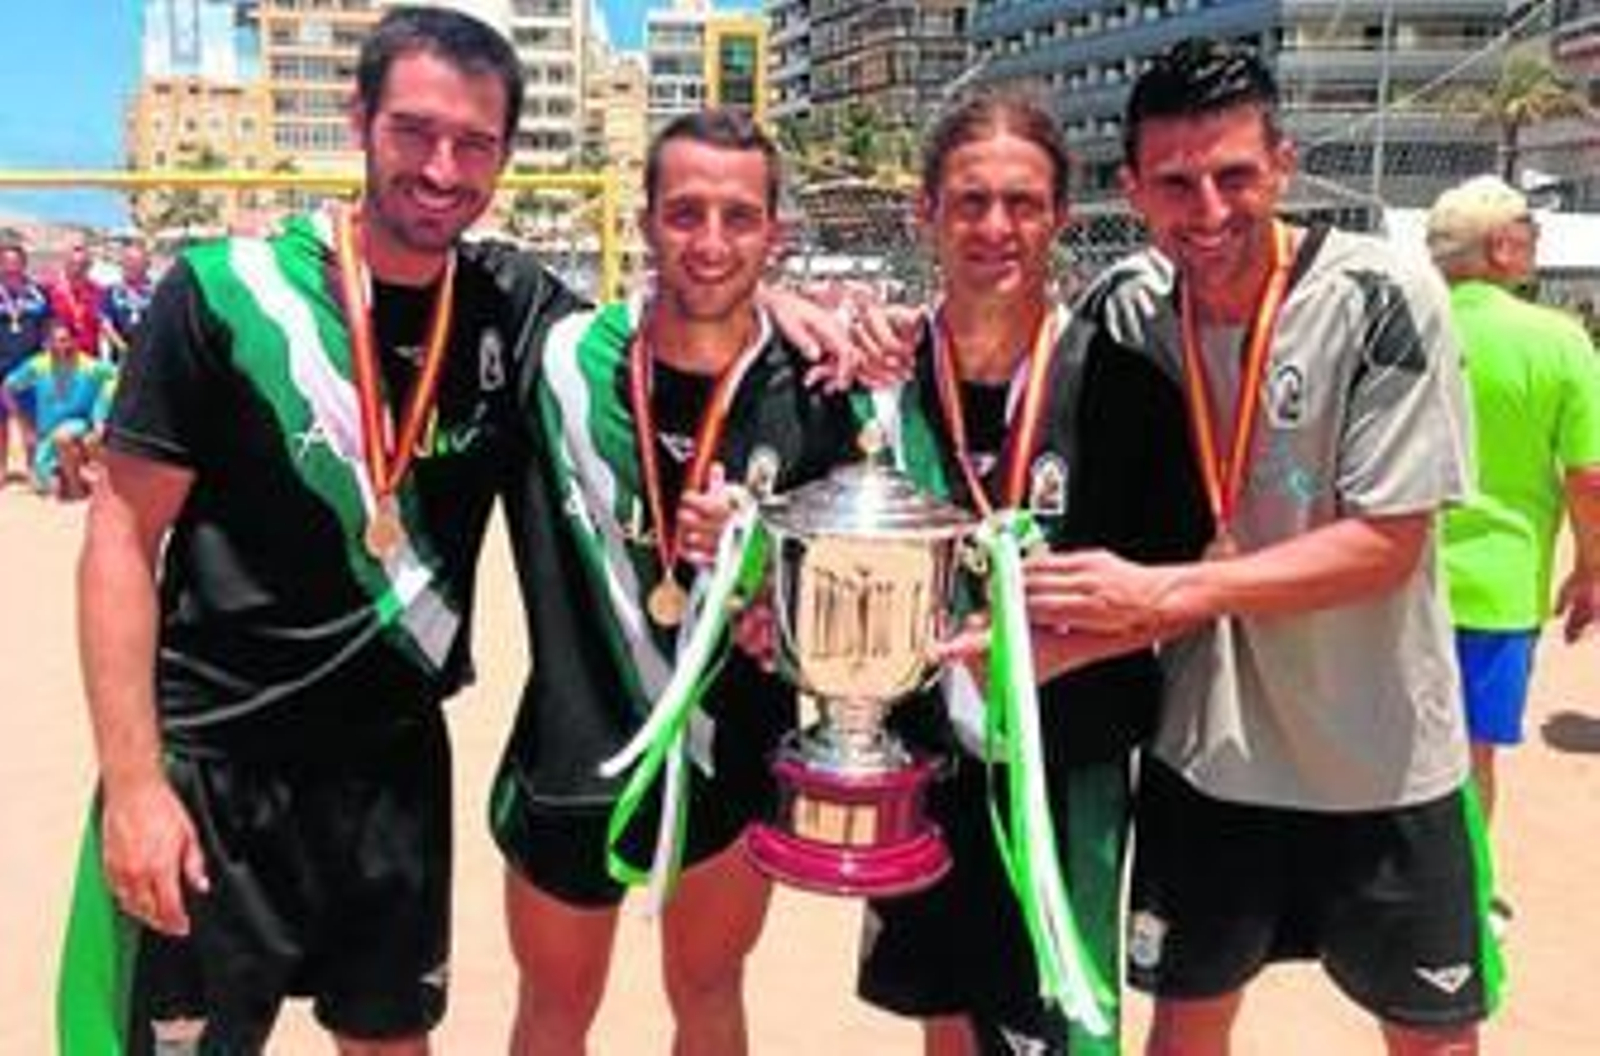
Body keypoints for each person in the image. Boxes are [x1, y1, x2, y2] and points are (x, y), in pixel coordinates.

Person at [57, 8, 585, 1052]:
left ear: (504, 155)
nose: (442, 168)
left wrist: (802, 315)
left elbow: (660, 347)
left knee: (392, 1043)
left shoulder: (509, 307)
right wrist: (133, 786)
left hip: (393, 770)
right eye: (415, 131)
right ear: (359, 120)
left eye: (475, 143)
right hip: (215, 769)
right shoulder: (222, 293)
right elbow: (119, 535)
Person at [1027, 39, 1495, 1055]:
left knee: (1431, 1038)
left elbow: (1383, 544)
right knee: (1185, 1030)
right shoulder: (1124, 311)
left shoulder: (1381, 296)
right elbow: (998, 362)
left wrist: (1166, 597)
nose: (1206, 210)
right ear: (1132, 188)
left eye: (1234, 175)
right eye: (1175, 183)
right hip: (1211, 760)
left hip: (1381, 761)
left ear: (1281, 162)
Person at [490, 108, 860, 1056]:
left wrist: (763, 594)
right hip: (575, 751)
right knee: (552, 1010)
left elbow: (843, 605)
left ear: (776, 233)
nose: (710, 241)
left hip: (727, 755)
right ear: (647, 219)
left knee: (708, 990)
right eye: (685, 212)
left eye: (739, 217)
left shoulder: (819, 394)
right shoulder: (559, 359)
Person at [852, 95, 1207, 1055]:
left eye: (1022, 202)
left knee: (1061, 1029)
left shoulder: (1128, 390)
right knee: (947, 1019)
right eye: (969, 202)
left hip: (1069, 767)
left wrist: (1043, 649)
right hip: (919, 760)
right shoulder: (874, 381)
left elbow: (1185, 591)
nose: (995, 227)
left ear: (1058, 216)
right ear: (926, 211)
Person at [1426, 176, 1600, 839]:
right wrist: (1590, 568)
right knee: (1472, 755)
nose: (1536, 241)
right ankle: (1468, 896)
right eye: (1530, 229)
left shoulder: (1407, 322)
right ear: (1500, 247)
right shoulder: (1557, 340)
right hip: (1498, 587)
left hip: (1390, 580)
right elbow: (1588, 475)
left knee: (1389, 748)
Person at [1, 317, 116, 499]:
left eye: (65, 340)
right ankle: (73, 480)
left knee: (64, 438)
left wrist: (101, 416)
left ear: (73, 340)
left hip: (79, 430)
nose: (60, 345)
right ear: (47, 344)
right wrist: (24, 425)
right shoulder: (38, 365)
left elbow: (117, 378)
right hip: (47, 441)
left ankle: (77, 490)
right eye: (55, 341)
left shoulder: (90, 366)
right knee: (48, 487)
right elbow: (7, 388)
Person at [0, 240, 54, 483]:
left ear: (24, 264)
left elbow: (48, 327)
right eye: (6, 263)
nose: (11, 268)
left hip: (30, 366)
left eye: (16, 263)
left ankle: (34, 468)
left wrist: (46, 358)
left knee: (31, 420)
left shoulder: (38, 293)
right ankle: (2, 469)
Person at [48, 235, 105, 360]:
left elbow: (106, 325)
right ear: (65, 263)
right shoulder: (50, 290)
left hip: (90, 361)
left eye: (83, 265)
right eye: (73, 264)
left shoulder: (99, 291)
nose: (78, 269)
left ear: (89, 266)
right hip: (60, 361)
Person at [100, 237, 156, 363]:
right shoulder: (111, 291)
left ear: (147, 264)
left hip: (151, 359)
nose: (129, 265)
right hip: (120, 360)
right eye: (126, 261)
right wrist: (122, 347)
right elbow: (105, 324)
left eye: (135, 261)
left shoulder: (158, 293)